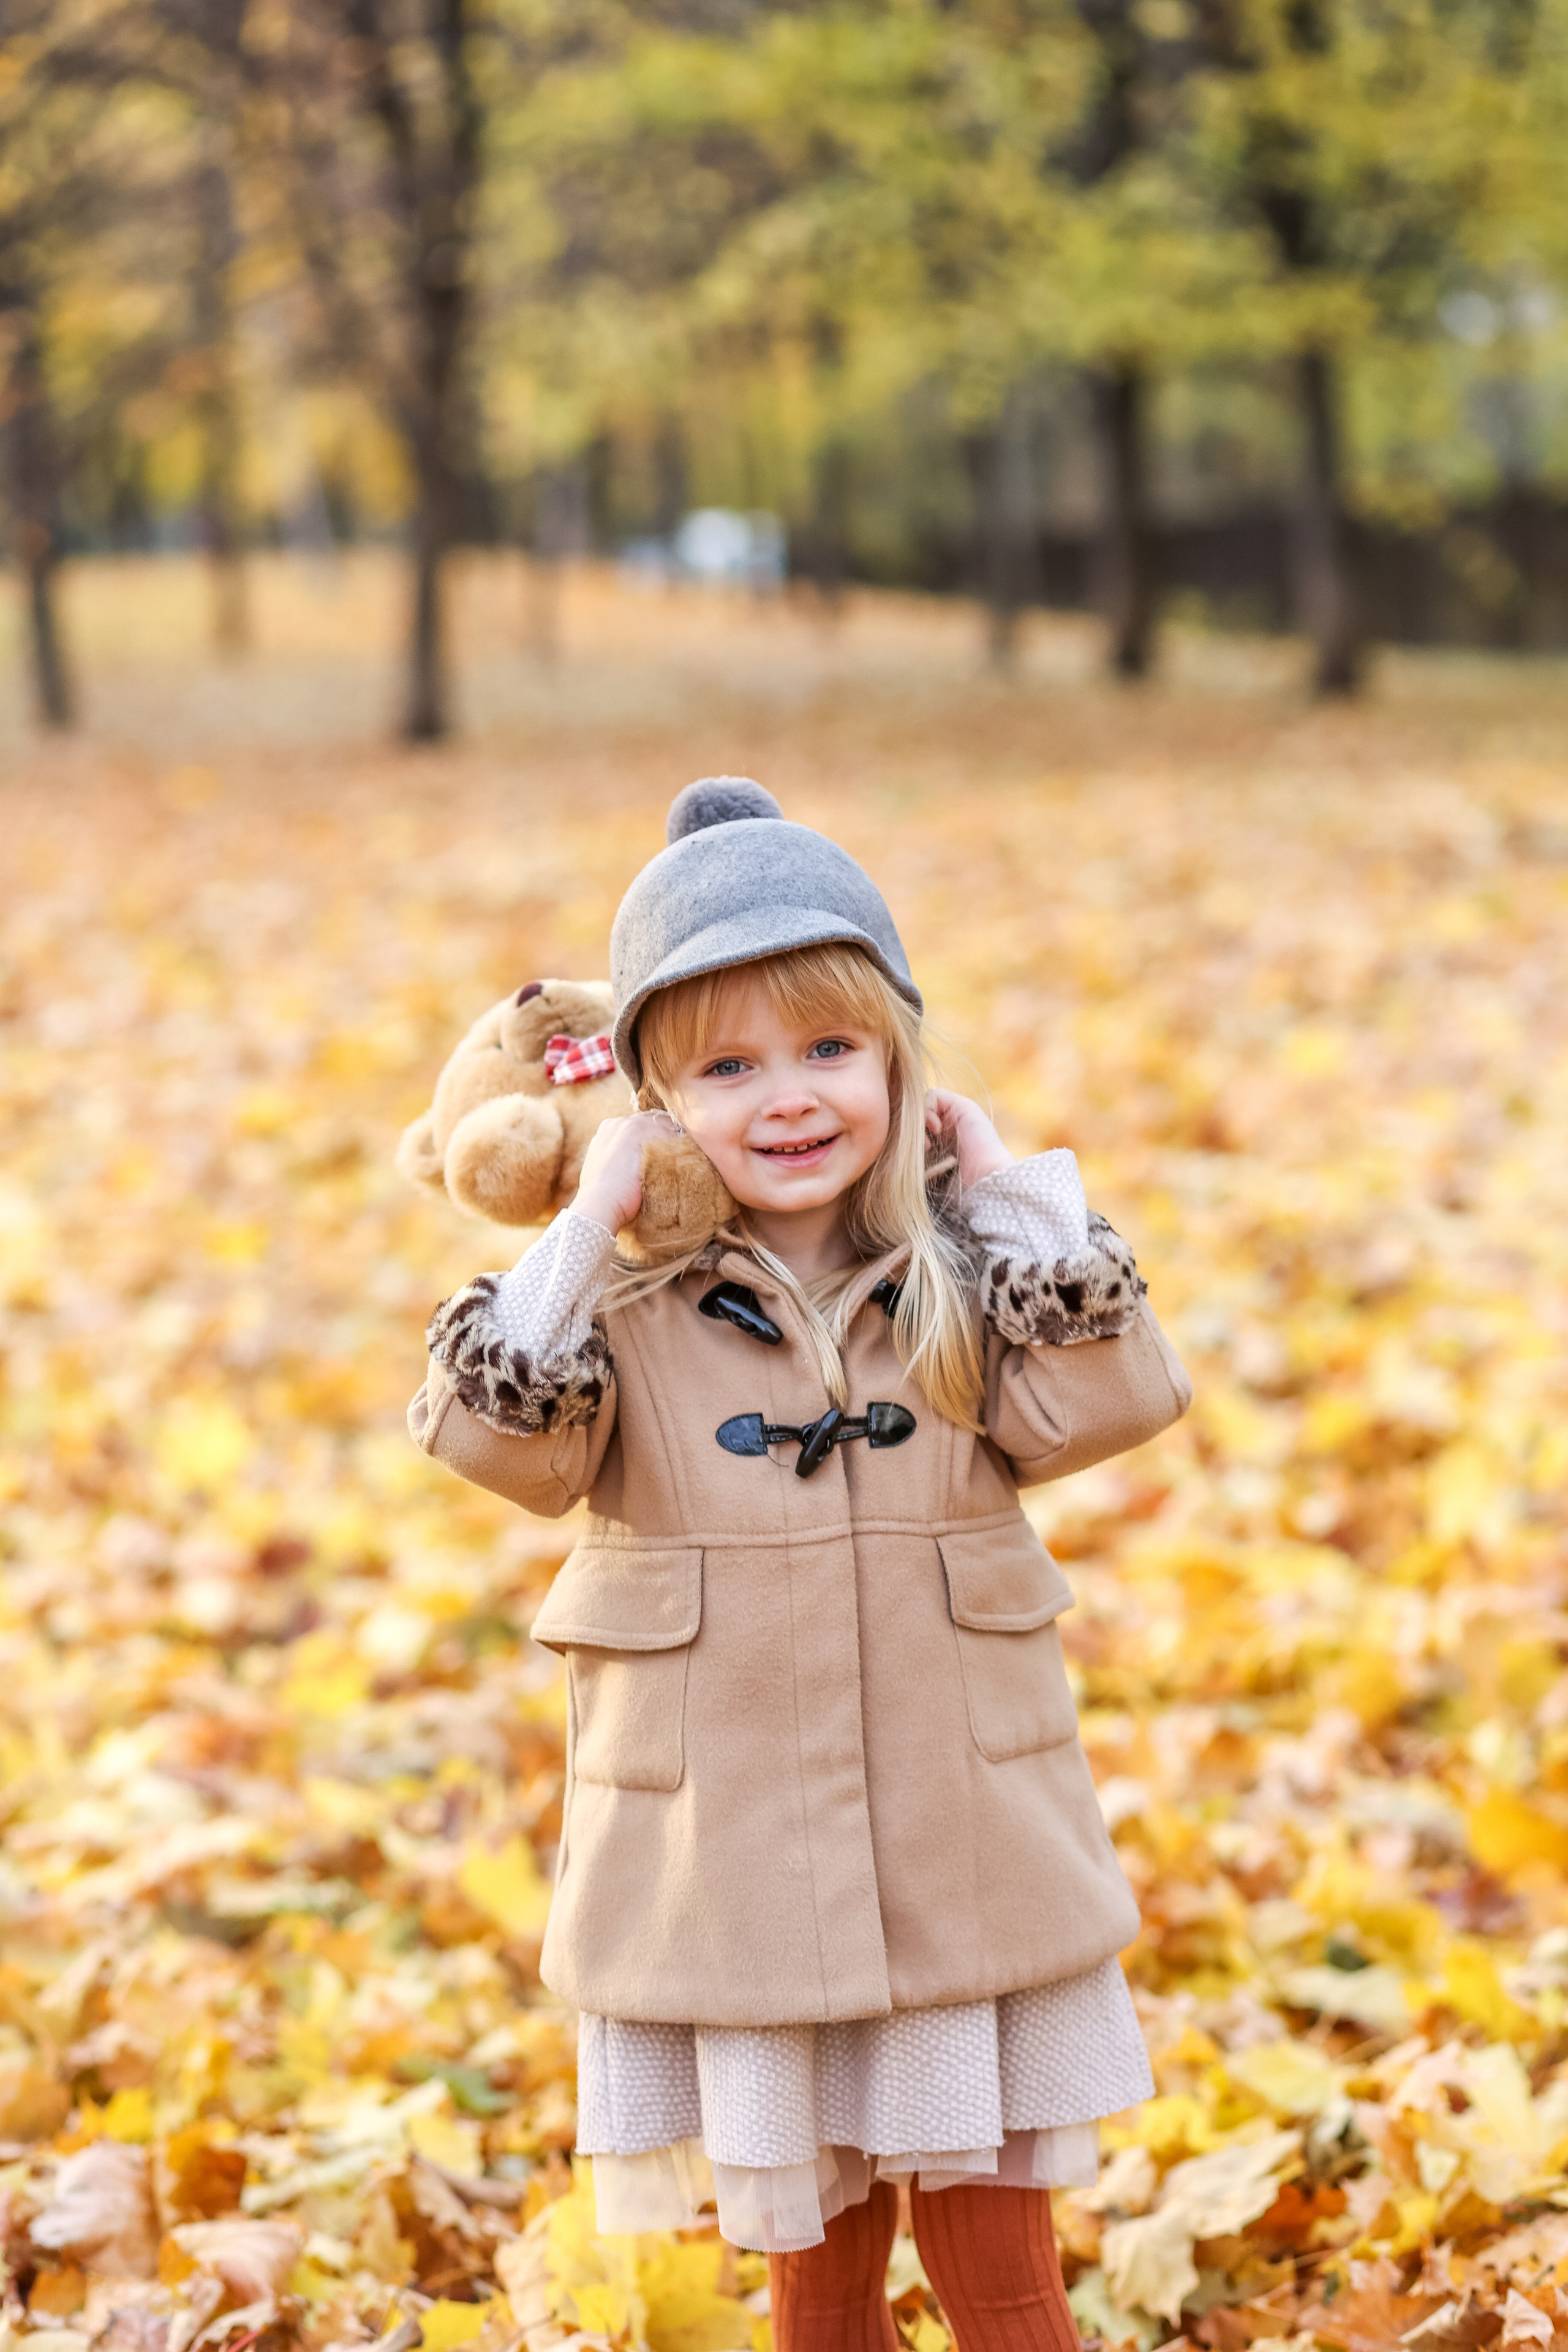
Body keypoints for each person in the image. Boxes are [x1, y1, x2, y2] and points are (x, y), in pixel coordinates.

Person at [409, 778, 1191, 2350]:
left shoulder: (961, 1278)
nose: (787, 1100)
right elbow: (498, 1443)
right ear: (651, 1098)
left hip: (960, 1843)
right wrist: (589, 1221)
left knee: (1001, 2273)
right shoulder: (621, 1316)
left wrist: (1006, 1194)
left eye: (831, 1049)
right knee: (817, 2283)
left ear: (899, 1062)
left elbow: (1108, 1404)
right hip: (739, 1857)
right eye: (726, 1067)